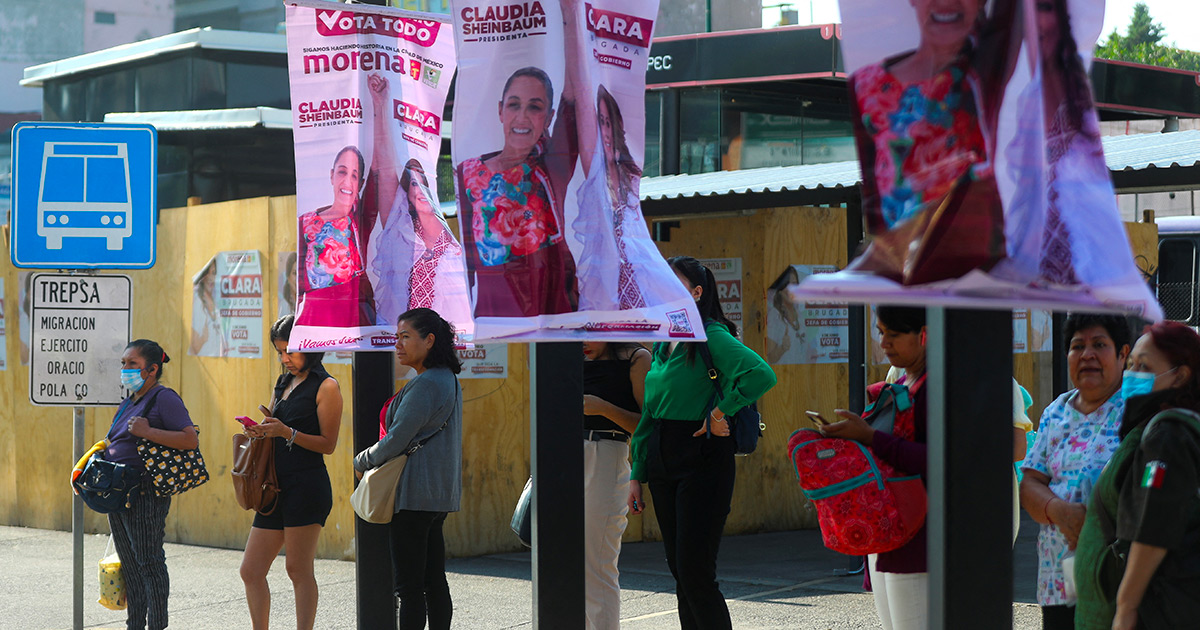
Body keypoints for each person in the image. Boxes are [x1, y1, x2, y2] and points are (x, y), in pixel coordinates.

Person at [627, 255, 777, 630]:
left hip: (702, 457)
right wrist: (637, 472)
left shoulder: (711, 334)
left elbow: (761, 374)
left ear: (696, 293)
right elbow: (649, 414)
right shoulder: (664, 343)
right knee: (680, 570)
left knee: (696, 572)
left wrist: (720, 412)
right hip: (663, 458)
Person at [846, 0, 1017, 285]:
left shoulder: (995, 83)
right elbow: (877, 206)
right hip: (906, 273)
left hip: (979, 264)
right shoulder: (866, 86)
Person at [454, 8, 583, 317]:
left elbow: (572, 98)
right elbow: (469, 254)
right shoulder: (468, 172)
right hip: (490, 306)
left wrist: (567, 21)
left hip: (546, 303)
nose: (522, 117)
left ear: (549, 117)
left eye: (535, 107)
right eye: (514, 105)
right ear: (500, 110)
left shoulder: (551, 166)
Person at [1073, 321, 1200, 630]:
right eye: (1130, 365)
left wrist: (1126, 607)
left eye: (1144, 366)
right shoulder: (1156, 426)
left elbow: (1153, 522)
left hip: (1147, 613)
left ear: (1180, 375)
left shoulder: (1167, 436)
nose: (1131, 375)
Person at [1020, 313, 1131, 630]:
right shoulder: (1056, 411)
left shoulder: (1140, 410)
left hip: (1118, 580)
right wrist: (1059, 511)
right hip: (1059, 582)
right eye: (1077, 346)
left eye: (1099, 344)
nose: (1088, 355)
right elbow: (1030, 481)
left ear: (1123, 354)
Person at [354, 308, 463, 630]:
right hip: (435, 494)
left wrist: (362, 460)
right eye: (397, 337)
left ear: (429, 341)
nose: (398, 345)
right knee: (433, 580)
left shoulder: (428, 383)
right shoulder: (446, 378)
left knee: (409, 587)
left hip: (414, 494)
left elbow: (398, 439)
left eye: (405, 337)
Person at [822, 306, 929, 630]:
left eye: (894, 334)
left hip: (922, 535)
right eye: (881, 332)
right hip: (894, 531)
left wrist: (870, 437)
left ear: (924, 334)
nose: (884, 342)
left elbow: (941, 460)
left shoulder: (936, 385)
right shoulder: (906, 380)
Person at [240, 315, 342, 630]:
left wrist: (286, 432)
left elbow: (328, 444)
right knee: (251, 570)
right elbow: (277, 429)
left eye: (291, 351)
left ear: (311, 347)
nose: (285, 359)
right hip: (274, 486)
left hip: (306, 486)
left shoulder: (327, 386)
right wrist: (262, 431)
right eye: (280, 352)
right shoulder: (283, 382)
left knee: (298, 569)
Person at [104, 339, 198, 630]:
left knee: (149, 564)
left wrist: (149, 431)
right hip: (119, 493)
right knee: (131, 569)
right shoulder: (130, 400)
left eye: (132, 364)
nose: (125, 369)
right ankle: (135, 625)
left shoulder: (163, 398)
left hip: (144, 493)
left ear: (152, 369)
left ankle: (157, 625)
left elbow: (189, 439)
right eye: (123, 364)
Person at [581, 340, 651, 629]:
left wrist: (604, 408)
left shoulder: (636, 357)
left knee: (597, 565)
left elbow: (649, 425)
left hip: (606, 453)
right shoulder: (563, 357)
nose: (584, 340)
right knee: (564, 564)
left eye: (592, 329)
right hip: (560, 458)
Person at [371, 157, 470, 330]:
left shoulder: (457, 233)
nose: (422, 190)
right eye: (415, 184)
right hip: (410, 335)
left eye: (425, 181)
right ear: (406, 193)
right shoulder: (400, 235)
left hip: (449, 333)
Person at [190, 259, 224, 356]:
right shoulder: (198, 302)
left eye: (213, 273)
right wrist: (203, 339)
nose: (210, 277)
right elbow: (194, 348)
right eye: (206, 273)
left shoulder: (215, 300)